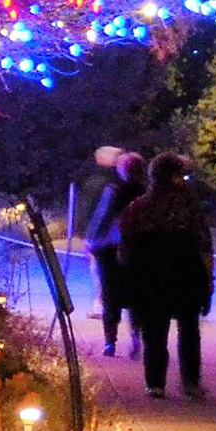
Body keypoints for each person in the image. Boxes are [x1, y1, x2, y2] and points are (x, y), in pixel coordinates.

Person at [120, 153, 215, 399]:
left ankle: (155, 382)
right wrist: (208, 278)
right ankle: (190, 381)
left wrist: (130, 275)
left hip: (150, 272)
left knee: (154, 328)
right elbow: (204, 244)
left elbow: (127, 244)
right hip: (185, 269)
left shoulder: (138, 206)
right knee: (189, 328)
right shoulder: (189, 207)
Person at [84, 149, 147, 358]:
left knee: (111, 294)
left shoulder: (114, 189)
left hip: (110, 248)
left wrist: (91, 240)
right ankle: (136, 337)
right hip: (138, 249)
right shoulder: (146, 191)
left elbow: (103, 216)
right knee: (136, 296)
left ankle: (110, 341)